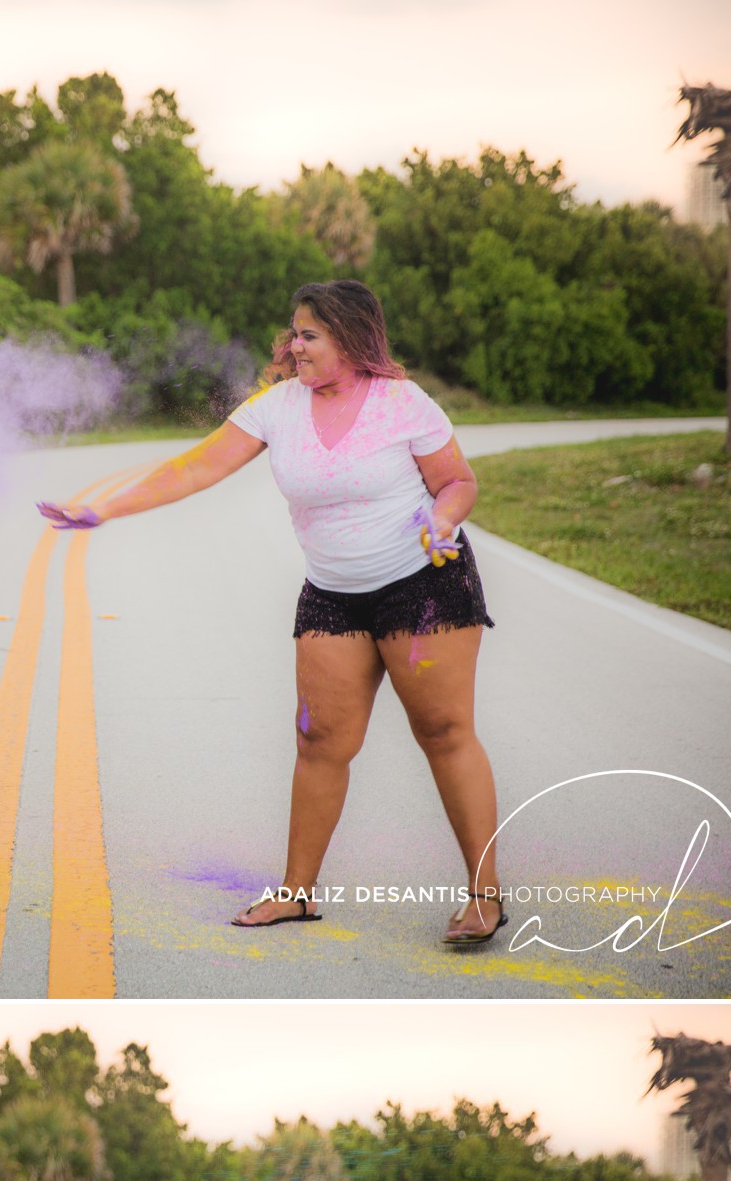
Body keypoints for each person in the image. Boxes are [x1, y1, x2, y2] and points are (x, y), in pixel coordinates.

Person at [38, 280, 503, 947]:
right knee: (319, 742)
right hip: (333, 593)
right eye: (292, 332)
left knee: (443, 731)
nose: (293, 345)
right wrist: (104, 508)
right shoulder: (278, 408)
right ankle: (297, 892)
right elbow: (195, 467)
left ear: (350, 337)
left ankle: (484, 896)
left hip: (423, 586)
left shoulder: (403, 403)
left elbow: (458, 480)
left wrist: (441, 518)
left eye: (308, 334)